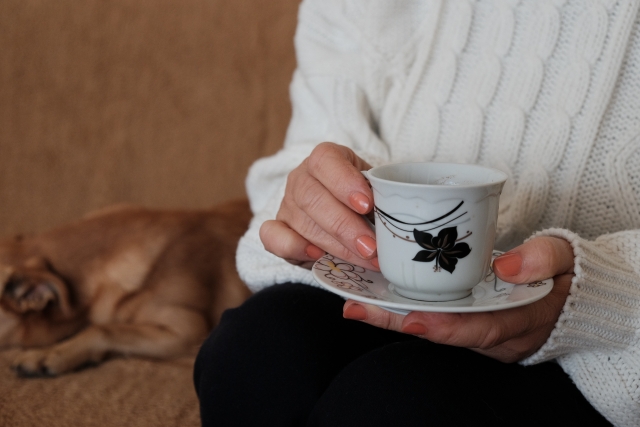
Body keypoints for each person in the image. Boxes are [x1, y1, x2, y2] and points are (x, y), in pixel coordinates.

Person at [194, 0, 640, 425]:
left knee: (390, 403)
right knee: (251, 354)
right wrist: (325, 201)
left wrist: (604, 300)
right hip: (383, 283)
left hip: (602, 335)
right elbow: (314, 144)